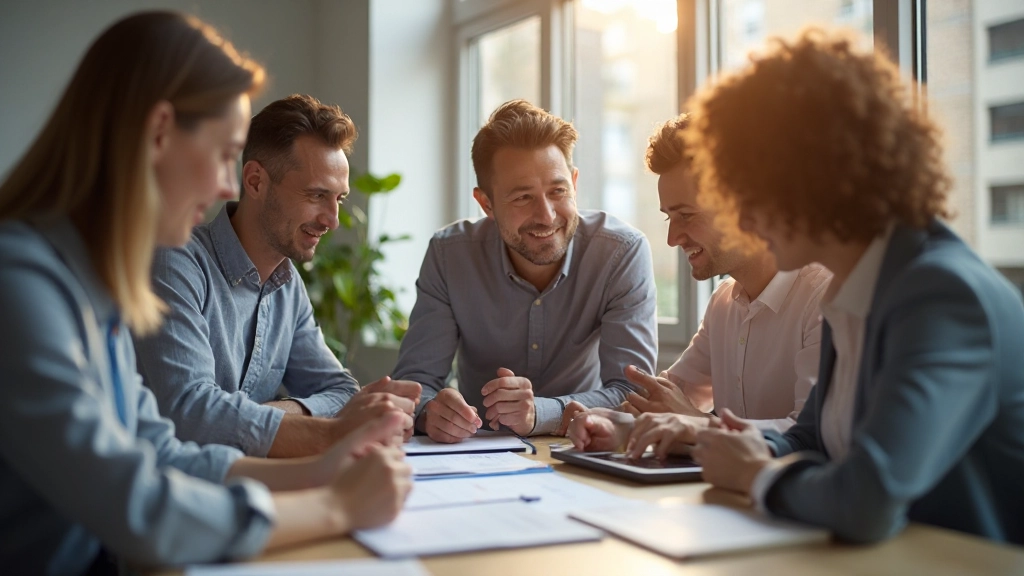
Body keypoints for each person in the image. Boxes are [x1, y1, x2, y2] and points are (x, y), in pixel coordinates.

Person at [0, 12, 411, 573]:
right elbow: (140, 508)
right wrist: (334, 504)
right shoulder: (18, 282)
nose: (227, 184)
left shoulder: (95, 287)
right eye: (224, 154)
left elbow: (161, 453)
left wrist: (321, 468)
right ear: (161, 132)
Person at [661, 28, 1023, 544]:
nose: (742, 216)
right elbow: (813, 438)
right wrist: (719, 441)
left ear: (815, 177)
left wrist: (754, 475)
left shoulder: (942, 296)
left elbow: (867, 498)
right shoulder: (851, 289)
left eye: (747, 191)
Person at [135, 94, 420, 458]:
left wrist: (280, 411)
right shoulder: (176, 264)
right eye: (317, 195)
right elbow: (191, 414)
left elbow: (342, 391)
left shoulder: (288, 286)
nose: (332, 220)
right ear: (255, 181)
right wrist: (311, 424)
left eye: (339, 199)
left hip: (250, 484)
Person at [392, 99, 658, 441]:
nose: (546, 215)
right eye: (522, 198)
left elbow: (632, 394)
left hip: (580, 447)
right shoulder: (449, 255)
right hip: (475, 455)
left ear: (574, 184)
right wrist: (431, 413)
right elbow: (415, 386)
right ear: (486, 203)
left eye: (557, 191)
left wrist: (542, 413)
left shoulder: (620, 253)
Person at [564, 114, 831, 449]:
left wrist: (698, 425)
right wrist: (610, 420)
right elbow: (667, 397)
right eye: (668, 217)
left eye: (686, 215)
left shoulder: (824, 298)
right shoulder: (723, 304)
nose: (673, 238)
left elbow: (811, 436)